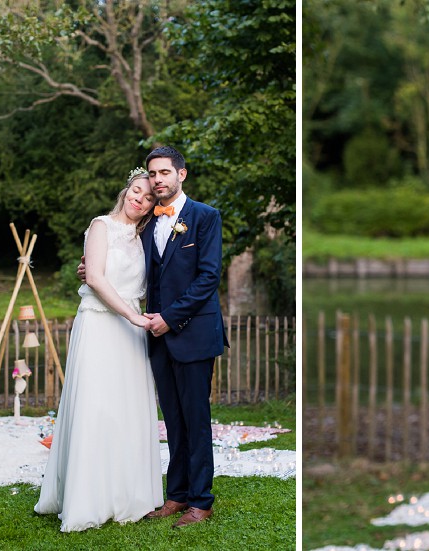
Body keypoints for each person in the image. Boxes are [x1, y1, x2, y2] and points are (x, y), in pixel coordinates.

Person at [35, 168, 163, 531]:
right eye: (136, 191)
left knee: (127, 408)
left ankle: (128, 492)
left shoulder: (144, 238)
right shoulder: (100, 225)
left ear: (152, 206)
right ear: (126, 192)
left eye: (148, 197)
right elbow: (94, 277)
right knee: (96, 405)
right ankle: (87, 496)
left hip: (131, 330)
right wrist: (131, 316)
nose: (140, 199)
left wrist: (137, 317)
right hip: (101, 324)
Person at [138, 145, 229, 528]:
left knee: (195, 418)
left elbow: (208, 277)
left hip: (191, 332)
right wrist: (89, 269)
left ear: (181, 174)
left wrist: (169, 319)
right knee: (172, 420)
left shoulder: (205, 217)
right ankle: (176, 494)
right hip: (158, 339)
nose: (158, 180)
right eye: (153, 174)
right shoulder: (145, 223)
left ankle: (201, 501)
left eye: (164, 173)